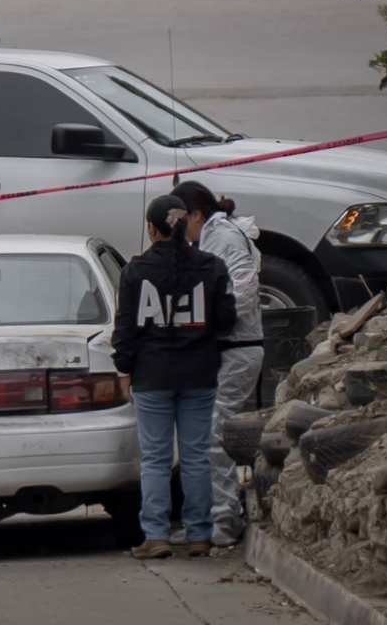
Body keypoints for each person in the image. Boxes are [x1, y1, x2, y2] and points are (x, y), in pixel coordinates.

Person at [112, 195, 237, 560]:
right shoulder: (213, 266)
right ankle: (199, 534)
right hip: (200, 373)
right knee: (197, 456)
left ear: (152, 229)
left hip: (152, 375)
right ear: (185, 225)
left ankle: (156, 535)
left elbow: (125, 330)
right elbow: (226, 322)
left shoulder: (135, 271)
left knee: (155, 458)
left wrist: (124, 368)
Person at [173, 180, 264, 548]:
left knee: (214, 433)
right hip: (230, 346)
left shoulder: (223, 238)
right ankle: (213, 517)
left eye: (182, 220)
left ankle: (224, 520)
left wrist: (208, 321)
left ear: (196, 214)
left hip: (238, 346)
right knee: (209, 433)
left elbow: (242, 290)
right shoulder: (213, 237)